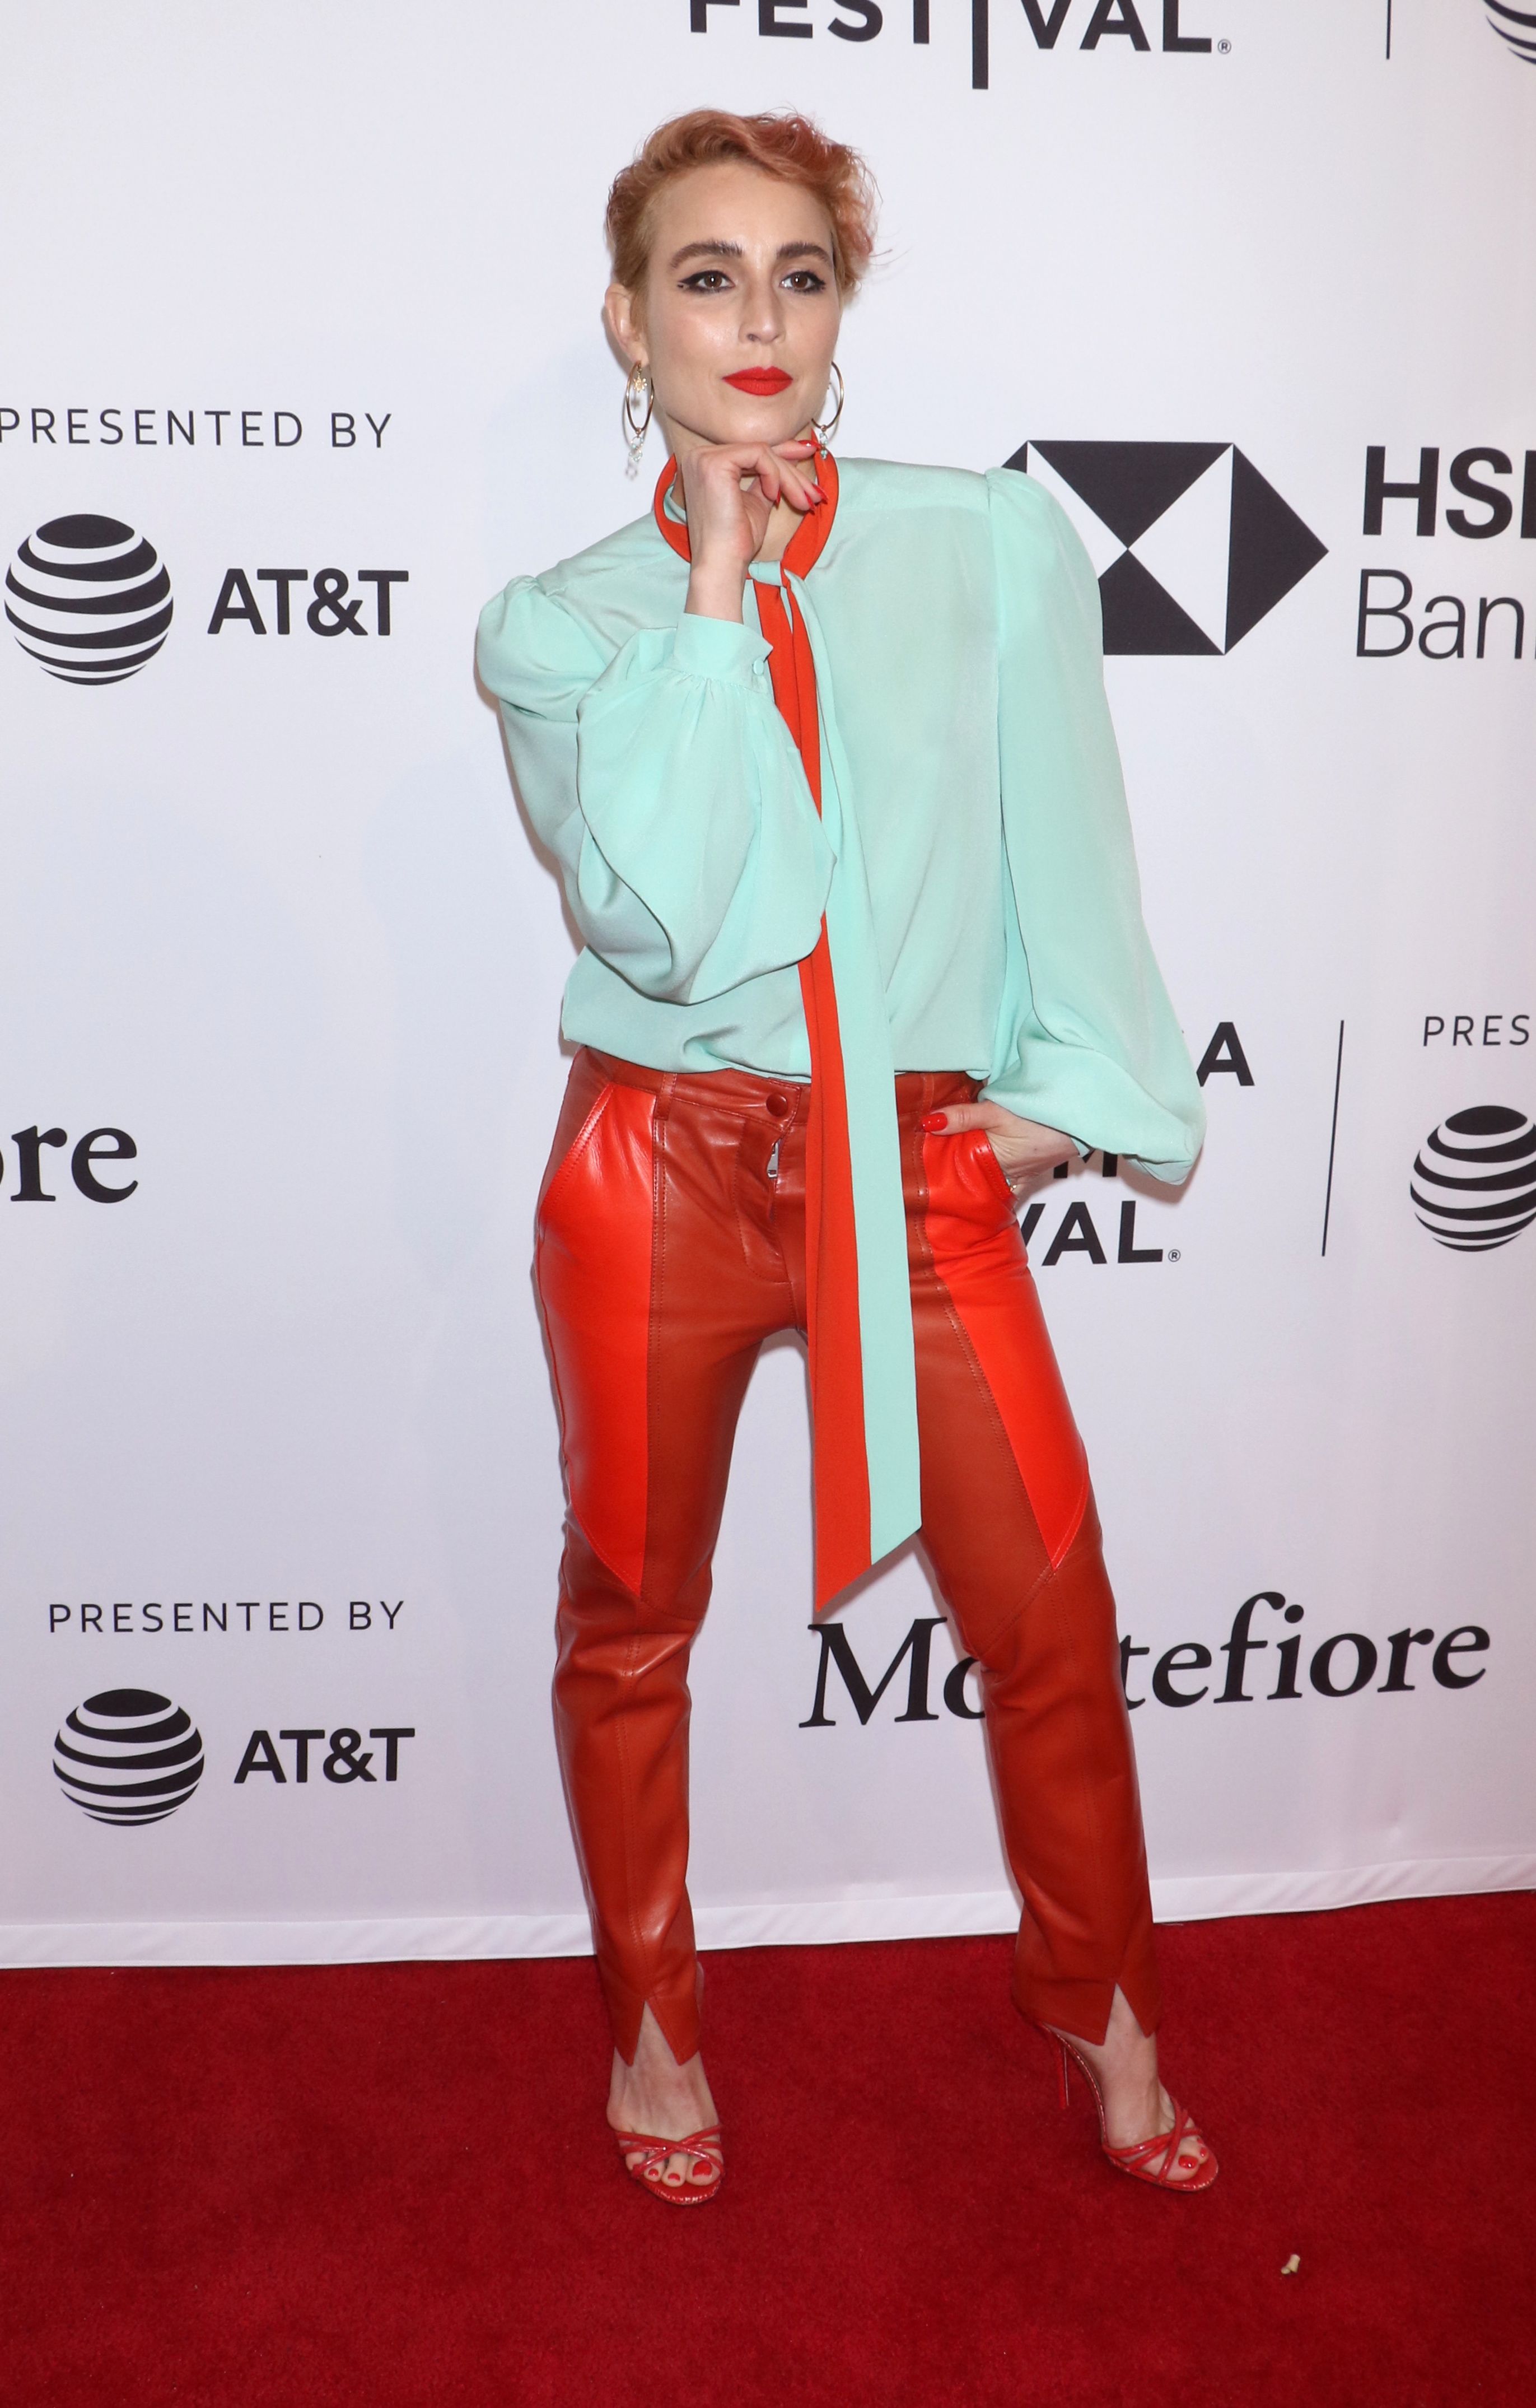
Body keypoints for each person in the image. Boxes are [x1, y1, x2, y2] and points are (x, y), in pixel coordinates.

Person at [477, 109, 1215, 2207]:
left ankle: (1106, 2005)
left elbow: (1068, 829)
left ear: (842, 311)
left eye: (799, 275)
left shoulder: (984, 545)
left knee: (1052, 1611)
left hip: (915, 1164)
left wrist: (1079, 1089)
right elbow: (668, 922)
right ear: (627, 321)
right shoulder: (562, 626)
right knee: (631, 1614)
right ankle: (652, 2020)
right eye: (706, 276)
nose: (759, 318)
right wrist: (715, 590)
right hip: (660, 1163)